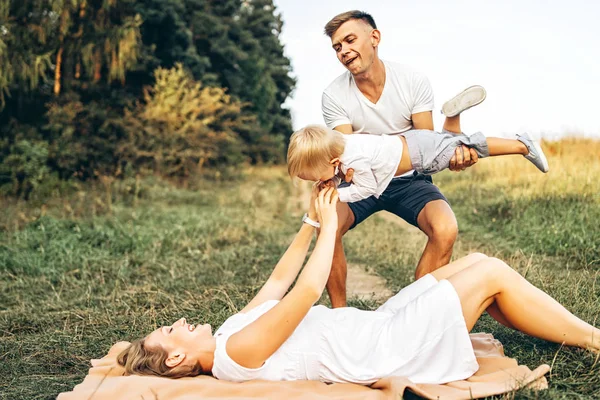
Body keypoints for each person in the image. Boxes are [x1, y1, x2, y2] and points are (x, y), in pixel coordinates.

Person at [117, 186, 600, 384]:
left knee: (475, 261)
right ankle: (593, 339)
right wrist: (331, 227)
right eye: (169, 329)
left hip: (378, 325)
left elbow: (279, 281)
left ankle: (575, 332)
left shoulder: (228, 331)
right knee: (491, 274)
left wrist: (310, 217)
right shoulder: (233, 354)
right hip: (389, 348)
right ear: (178, 357)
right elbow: (305, 292)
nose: (177, 321)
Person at [320, 10, 486, 307]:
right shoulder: (333, 95)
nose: (343, 51)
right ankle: (339, 315)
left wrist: (453, 157)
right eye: (337, 47)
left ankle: (418, 310)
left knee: (445, 228)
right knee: (328, 225)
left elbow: (425, 146)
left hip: (409, 180)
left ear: (375, 37)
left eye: (349, 40)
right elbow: (350, 155)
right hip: (364, 180)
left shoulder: (412, 80)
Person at [287, 125, 548, 203]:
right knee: (459, 141)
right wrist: (332, 179)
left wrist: (338, 194)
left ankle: (521, 145)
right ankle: (452, 122)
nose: (317, 182)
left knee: (468, 147)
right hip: (414, 141)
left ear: (332, 161)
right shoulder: (340, 144)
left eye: (314, 177)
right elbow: (333, 168)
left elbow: (367, 189)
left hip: (421, 155)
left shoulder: (356, 159)